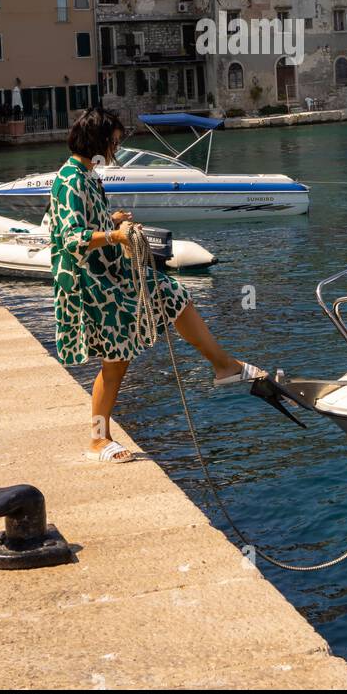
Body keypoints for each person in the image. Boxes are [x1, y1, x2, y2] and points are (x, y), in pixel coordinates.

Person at [50, 106, 263, 463]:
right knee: (116, 359)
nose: (117, 146)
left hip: (112, 275)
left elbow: (83, 221)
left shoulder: (86, 174)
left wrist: (110, 219)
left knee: (174, 293)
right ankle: (99, 440)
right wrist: (115, 234)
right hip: (93, 283)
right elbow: (71, 237)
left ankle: (224, 366)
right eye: (115, 140)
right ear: (100, 139)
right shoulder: (71, 179)